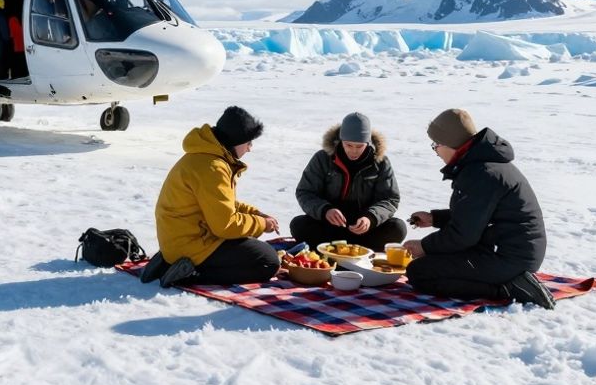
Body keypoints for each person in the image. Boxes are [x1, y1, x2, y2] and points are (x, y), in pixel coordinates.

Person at [402, 109, 555, 309]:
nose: (436, 151)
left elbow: (463, 235)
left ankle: (509, 288)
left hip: (509, 258)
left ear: (450, 143)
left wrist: (424, 246)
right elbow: (475, 216)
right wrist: (435, 219)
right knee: (436, 259)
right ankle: (507, 281)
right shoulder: (482, 165)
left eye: (436, 145)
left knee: (420, 272)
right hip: (508, 249)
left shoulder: (480, 173)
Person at [141, 106, 281, 287]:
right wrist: (261, 224)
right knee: (268, 261)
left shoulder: (206, 156)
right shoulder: (213, 167)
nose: (250, 148)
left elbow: (220, 203)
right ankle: (189, 273)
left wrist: (256, 214)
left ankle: (169, 262)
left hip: (179, 240)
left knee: (254, 246)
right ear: (236, 140)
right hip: (192, 244)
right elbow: (226, 226)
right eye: (248, 142)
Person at [291, 112, 407, 252]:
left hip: (364, 229)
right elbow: (305, 192)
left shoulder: (380, 162)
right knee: (299, 225)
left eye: (359, 146)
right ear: (340, 140)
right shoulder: (323, 158)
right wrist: (325, 210)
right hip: (330, 225)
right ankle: (340, 248)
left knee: (398, 228)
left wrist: (370, 218)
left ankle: (353, 250)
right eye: (348, 145)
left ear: (368, 143)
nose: (353, 151)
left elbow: (390, 199)